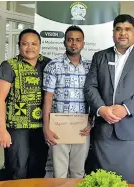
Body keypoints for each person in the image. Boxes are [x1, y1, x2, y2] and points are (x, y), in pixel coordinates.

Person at [84, 14, 134, 187]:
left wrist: (125, 108)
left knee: (133, 180)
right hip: (104, 131)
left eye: (127, 29)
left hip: (132, 132)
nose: (122, 33)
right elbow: (90, 87)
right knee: (103, 180)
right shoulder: (100, 57)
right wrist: (102, 109)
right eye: (118, 29)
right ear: (113, 33)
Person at [0, 29, 51, 180]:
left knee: (38, 168)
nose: (30, 47)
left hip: (41, 127)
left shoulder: (48, 64)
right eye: (25, 44)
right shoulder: (9, 66)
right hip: (17, 128)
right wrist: (2, 130)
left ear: (40, 45)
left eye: (34, 44)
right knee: (16, 169)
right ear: (19, 45)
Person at [42, 25, 92, 178]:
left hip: (82, 127)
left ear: (83, 43)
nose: (74, 43)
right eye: (70, 40)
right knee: (59, 173)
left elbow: (93, 97)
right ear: (64, 42)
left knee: (78, 172)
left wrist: (91, 122)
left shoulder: (90, 67)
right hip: (58, 127)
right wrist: (46, 127)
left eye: (78, 40)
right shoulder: (53, 65)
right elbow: (48, 98)